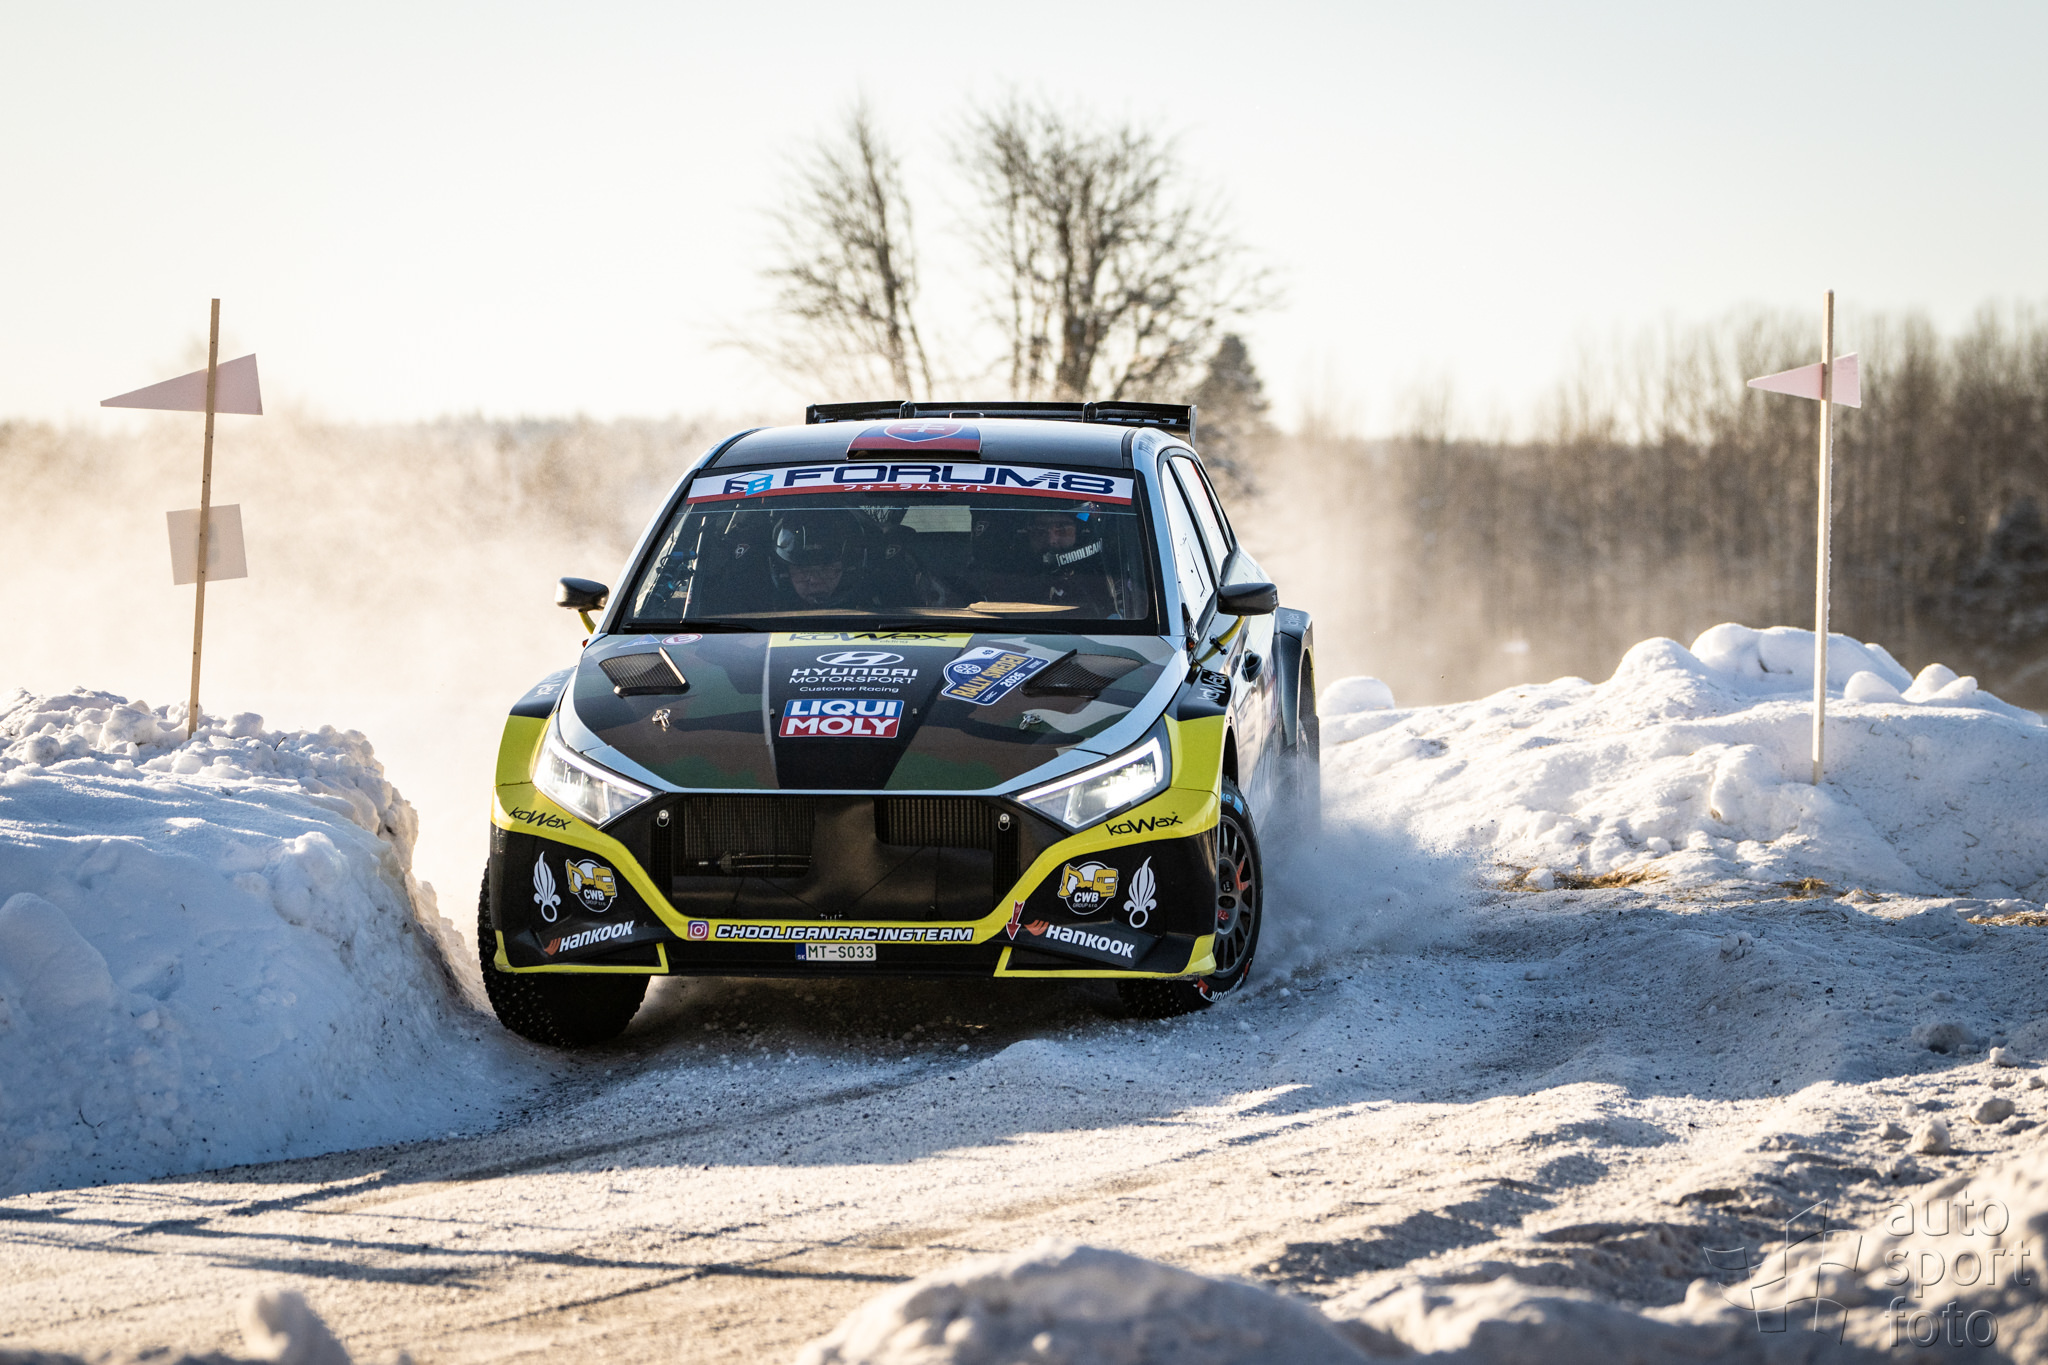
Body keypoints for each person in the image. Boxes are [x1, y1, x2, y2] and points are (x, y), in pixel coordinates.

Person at [970, 506, 1121, 615]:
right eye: (1040, 529)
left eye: (1062, 529)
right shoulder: (1003, 577)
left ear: (1079, 532)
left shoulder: (1106, 575)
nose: (1051, 540)